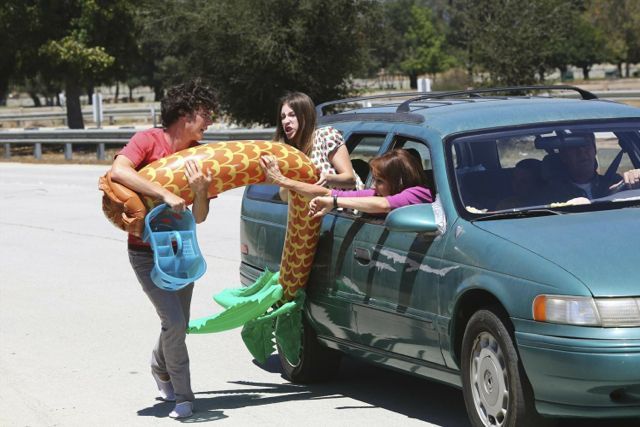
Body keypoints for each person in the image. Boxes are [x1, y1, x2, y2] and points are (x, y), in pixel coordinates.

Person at [109, 79, 217, 419]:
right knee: (174, 321)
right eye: (205, 115)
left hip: (181, 250)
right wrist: (164, 193)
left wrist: (199, 192)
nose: (210, 123)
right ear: (184, 115)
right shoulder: (148, 141)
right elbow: (119, 169)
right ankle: (183, 396)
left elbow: (198, 218)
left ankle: (159, 366)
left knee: (178, 323)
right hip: (145, 252)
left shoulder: (200, 157)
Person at [259, 91, 362, 199]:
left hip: (347, 210)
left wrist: (327, 178)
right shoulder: (290, 152)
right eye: (283, 117)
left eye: (292, 115)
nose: (286, 121)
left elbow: (350, 180)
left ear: (305, 116)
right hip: (317, 213)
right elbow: (285, 197)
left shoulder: (325, 136)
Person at [308, 149, 433, 217]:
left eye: (379, 181)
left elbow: (384, 205)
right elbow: (331, 193)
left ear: (399, 181)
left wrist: (334, 202)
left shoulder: (420, 193)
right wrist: (290, 183)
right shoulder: (377, 194)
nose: (373, 186)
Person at [548, 132, 640, 203]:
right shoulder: (550, 193)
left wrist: (635, 177)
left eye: (586, 145)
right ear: (563, 156)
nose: (582, 152)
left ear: (594, 150)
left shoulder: (618, 183)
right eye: (574, 147)